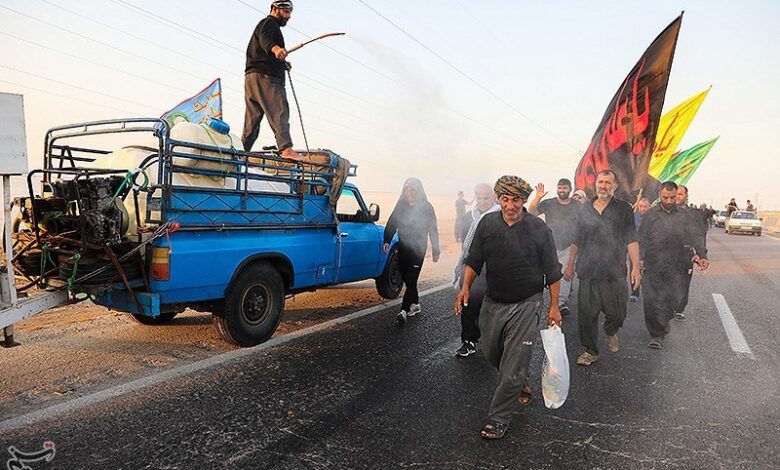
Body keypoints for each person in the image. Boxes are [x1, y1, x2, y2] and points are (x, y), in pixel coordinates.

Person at [455, 175, 562, 440]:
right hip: (494, 302)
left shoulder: (539, 229)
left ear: (524, 201)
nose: (510, 205)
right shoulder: (487, 224)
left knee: (513, 366)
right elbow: (474, 260)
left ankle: (498, 417)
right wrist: (465, 287)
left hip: (527, 304)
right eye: (504, 199)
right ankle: (518, 382)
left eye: (515, 199)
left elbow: (553, 272)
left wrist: (554, 307)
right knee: (492, 353)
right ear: (497, 199)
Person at [564, 170, 640, 366]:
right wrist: (570, 265)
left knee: (617, 313)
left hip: (614, 271)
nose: (603, 186)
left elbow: (631, 239)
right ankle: (590, 351)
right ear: (595, 184)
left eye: (608, 182)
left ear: (615, 186)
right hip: (588, 270)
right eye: (600, 181)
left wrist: (635, 268)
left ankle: (610, 330)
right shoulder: (584, 209)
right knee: (587, 315)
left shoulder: (624, 209)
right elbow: (576, 240)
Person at [640, 182, 710, 349]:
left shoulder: (685, 215)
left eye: (672, 197)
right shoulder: (650, 215)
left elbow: (696, 235)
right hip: (653, 263)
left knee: (675, 299)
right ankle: (657, 334)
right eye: (665, 197)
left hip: (677, 263)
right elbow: (641, 238)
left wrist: (702, 255)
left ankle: (664, 320)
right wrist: (639, 260)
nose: (669, 201)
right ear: (659, 195)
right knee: (651, 300)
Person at [242, 0, 303, 161]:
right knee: (279, 110)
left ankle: (240, 154)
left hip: (252, 79)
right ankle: (286, 148)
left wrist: (282, 63)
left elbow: (263, 49)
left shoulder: (265, 24)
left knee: (252, 123)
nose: (289, 16)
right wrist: (276, 49)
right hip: (266, 78)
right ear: (275, 8)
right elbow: (265, 40)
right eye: (286, 12)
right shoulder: (269, 23)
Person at [383, 178, 440, 325]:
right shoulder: (401, 206)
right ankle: (415, 303)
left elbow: (433, 228)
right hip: (403, 247)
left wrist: (436, 249)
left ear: (419, 191)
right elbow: (392, 222)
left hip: (418, 248)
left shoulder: (427, 207)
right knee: (408, 279)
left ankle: (403, 311)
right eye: (407, 189)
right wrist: (387, 241)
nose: (410, 192)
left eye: (413, 190)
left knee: (411, 278)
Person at [452, 183, 499, 357]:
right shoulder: (468, 216)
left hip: (495, 267)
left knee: (493, 305)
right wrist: (462, 266)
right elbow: (465, 244)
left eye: (486, 197)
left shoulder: (500, 216)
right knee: (468, 301)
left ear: (493, 197)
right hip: (473, 265)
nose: (481, 201)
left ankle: (492, 338)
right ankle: (468, 340)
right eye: (478, 197)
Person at [528, 178, 581, 316]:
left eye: (564, 188)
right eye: (560, 188)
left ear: (570, 189)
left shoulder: (577, 206)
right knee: (545, 274)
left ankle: (560, 304)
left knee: (564, 274)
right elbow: (532, 212)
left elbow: (585, 225)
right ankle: (533, 302)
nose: (562, 190)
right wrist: (537, 197)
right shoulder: (549, 203)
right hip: (549, 245)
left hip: (569, 246)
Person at [674, 185, 708, 322]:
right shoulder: (663, 212)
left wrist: (701, 255)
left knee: (683, 283)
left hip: (686, 254)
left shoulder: (694, 214)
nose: (677, 197)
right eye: (675, 193)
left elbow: (700, 235)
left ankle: (679, 309)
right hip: (666, 254)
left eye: (681, 194)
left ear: (687, 196)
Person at [629, 197, 650, 302]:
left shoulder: (652, 218)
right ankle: (635, 292)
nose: (643, 209)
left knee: (648, 272)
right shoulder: (632, 217)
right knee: (634, 269)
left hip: (649, 249)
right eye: (641, 206)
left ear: (649, 207)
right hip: (635, 248)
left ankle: (648, 293)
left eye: (645, 206)